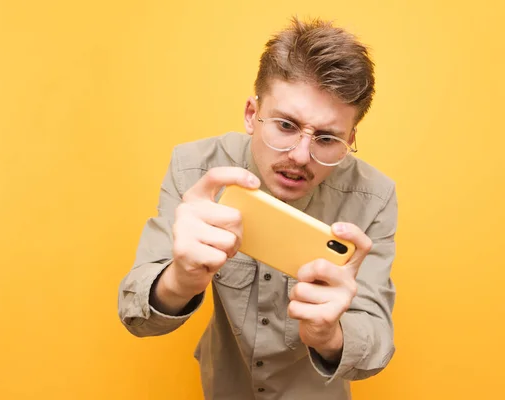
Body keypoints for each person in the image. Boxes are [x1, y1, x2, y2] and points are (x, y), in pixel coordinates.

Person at [118, 16, 398, 399]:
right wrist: (180, 280)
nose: (301, 156)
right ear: (252, 114)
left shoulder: (376, 197)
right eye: (285, 125)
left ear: (350, 139)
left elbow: (376, 344)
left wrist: (328, 335)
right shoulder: (196, 169)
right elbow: (136, 317)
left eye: (328, 138)